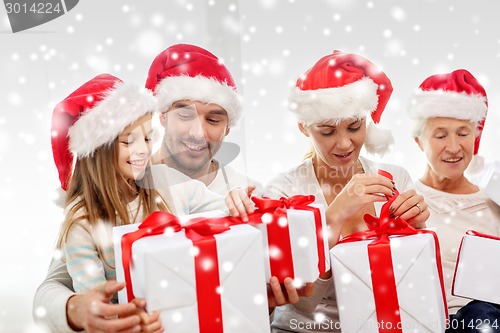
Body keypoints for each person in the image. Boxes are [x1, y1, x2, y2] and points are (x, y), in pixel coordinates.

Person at [33, 73, 232, 333]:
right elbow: (97, 302)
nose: (142, 150)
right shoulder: (83, 221)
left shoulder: (164, 181)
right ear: (99, 149)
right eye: (129, 141)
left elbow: (224, 212)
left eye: (148, 138)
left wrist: (235, 199)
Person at [265, 50, 429, 332]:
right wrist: (333, 219)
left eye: (354, 127)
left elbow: (415, 285)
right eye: (327, 131)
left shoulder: (395, 178)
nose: (344, 144)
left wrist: (419, 232)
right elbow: (300, 304)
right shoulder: (283, 192)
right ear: (303, 126)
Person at [408, 69, 500, 333]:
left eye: (463, 133)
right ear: (418, 141)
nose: (453, 147)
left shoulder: (493, 205)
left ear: (476, 136)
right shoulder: (406, 202)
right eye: (440, 135)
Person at [145, 43, 262, 196]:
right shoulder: (121, 189)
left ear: (227, 129)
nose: (198, 133)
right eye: (185, 116)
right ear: (163, 116)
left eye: (213, 120)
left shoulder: (250, 195)